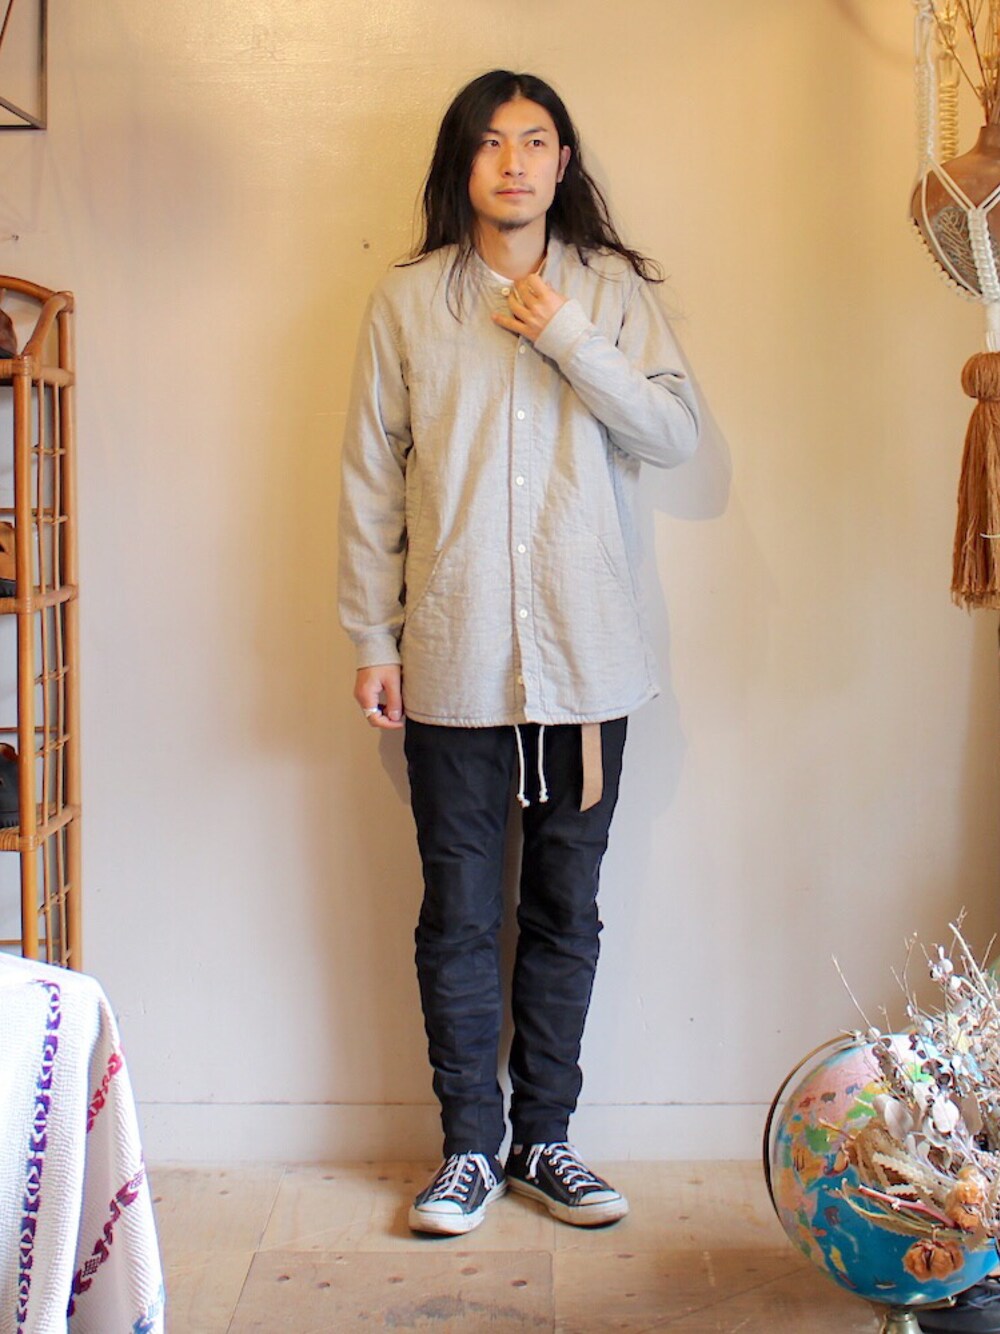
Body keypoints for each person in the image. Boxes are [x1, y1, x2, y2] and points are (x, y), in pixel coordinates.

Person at [338, 69, 699, 1236]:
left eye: (534, 141)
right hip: (450, 660)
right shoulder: (407, 302)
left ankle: (546, 1138)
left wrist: (568, 337)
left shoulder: (612, 295)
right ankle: (466, 1148)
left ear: (561, 161)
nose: (513, 163)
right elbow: (371, 479)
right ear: (465, 162)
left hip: (588, 666)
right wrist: (371, 636)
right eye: (491, 143)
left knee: (564, 908)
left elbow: (673, 435)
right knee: (455, 913)